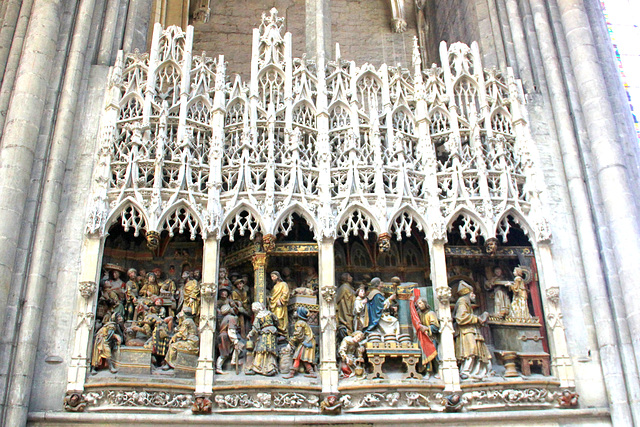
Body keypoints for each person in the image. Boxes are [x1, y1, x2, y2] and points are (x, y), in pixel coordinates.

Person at [454, 281, 491, 379]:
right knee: (470, 350)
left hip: (470, 330)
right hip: (466, 331)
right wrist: (477, 318)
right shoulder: (462, 301)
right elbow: (460, 318)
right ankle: (466, 371)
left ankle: (475, 371)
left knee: (475, 350)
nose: (474, 295)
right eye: (472, 293)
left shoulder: (466, 302)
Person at [410, 290, 439, 374]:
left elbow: (436, 327)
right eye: (418, 304)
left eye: (421, 303)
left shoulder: (431, 313)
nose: (420, 305)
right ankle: (427, 372)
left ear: (425, 304)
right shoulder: (419, 314)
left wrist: (426, 328)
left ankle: (436, 371)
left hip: (431, 337)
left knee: (434, 355)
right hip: (422, 338)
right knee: (424, 355)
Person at [245, 302, 279, 376]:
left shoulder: (258, 317)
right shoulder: (270, 314)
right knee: (270, 351)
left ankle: (257, 367)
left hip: (264, 334)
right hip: (272, 333)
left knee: (260, 350)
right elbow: (276, 321)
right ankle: (270, 368)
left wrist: (250, 334)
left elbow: (255, 328)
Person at [284, 307, 317, 379]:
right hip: (309, 342)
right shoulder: (303, 323)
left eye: (296, 311)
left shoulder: (300, 323)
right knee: (303, 357)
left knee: (298, 356)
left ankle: (292, 373)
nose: (294, 313)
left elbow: (298, 334)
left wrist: (290, 343)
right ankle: (311, 372)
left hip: (307, 342)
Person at [216, 304, 241, 374]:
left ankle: (232, 360)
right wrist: (235, 340)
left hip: (221, 336)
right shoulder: (231, 318)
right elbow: (231, 330)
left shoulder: (224, 318)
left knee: (223, 352)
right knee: (225, 353)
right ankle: (231, 362)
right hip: (226, 337)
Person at [336, 273, 355, 340]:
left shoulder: (349, 287)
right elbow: (337, 298)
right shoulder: (343, 287)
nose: (351, 277)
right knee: (348, 324)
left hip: (350, 309)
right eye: (349, 276)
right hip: (345, 310)